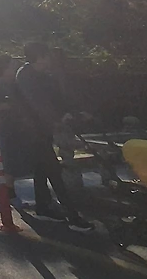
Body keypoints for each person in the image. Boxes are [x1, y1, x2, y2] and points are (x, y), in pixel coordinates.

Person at [12, 43, 93, 230]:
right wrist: (58, 118)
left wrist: (76, 111)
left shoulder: (42, 76)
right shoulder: (25, 76)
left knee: (41, 169)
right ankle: (73, 217)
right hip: (30, 132)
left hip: (42, 130)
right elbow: (38, 103)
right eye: (47, 55)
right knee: (54, 170)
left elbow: (57, 97)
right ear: (39, 57)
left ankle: (42, 207)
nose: (50, 59)